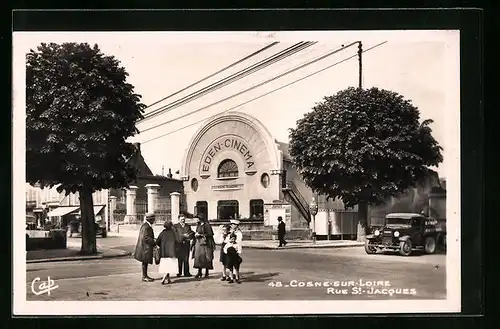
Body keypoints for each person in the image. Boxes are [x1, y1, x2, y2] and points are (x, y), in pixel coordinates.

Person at [155, 220, 180, 285]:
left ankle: (168, 279)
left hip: (164, 252)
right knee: (169, 266)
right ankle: (163, 278)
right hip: (172, 252)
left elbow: (157, 242)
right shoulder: (173, 233)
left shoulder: (162, 233)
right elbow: (178, 241)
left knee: (166, 265)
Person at [191, 213, 215, 279]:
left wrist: (201, 235)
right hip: (198, 243)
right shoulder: (198, 225)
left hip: (206, 244)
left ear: (200, 219)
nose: (196, 220)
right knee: (198, 257)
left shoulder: (207, 225)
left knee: (206, 257)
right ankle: (199, 272)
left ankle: (207, 272)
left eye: (197, 218)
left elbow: (210, 234)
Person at [134, 213, 156, 282]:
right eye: (153, 219)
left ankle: (145, 275)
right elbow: (145, 238)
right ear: (150, 220)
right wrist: (153, 241)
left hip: (144, 247)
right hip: (145, 248)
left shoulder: (145, 225)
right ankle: (144, 276)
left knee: (145, 262)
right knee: (145, 262)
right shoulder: (147, 227)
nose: (154, 221)